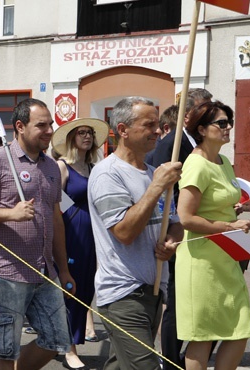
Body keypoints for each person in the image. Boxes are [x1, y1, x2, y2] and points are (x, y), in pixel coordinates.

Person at [0, 98, 75, 370]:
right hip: (6, 272)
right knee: (3, 349)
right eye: (42, 125)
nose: (49, 130)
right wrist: (9, 214)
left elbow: (56, 219)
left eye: (50, 124)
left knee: (57, 340)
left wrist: (63, 268)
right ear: (20, 126)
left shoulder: (51, 166)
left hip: (45, 271)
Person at [87, 96, 183, 370]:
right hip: (123, 294)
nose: (157, 130)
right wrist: (156, 187)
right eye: (149, 124)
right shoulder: (108, 174)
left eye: (159, 123)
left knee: (120, 365)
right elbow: (124, 232)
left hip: (153, 291)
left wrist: (173, 240)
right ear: (122, 130)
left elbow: (175, 222)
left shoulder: (154, 173)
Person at [176, 101, 250, 370]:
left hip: (228, 254)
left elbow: (217, 201)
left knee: (241, 327)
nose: (228, 127)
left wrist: (234, 211)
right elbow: (186, 217)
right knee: (204, 334)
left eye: (229, 122)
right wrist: (228, 226)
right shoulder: (197, 164)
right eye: (221, 123)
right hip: (202, 260)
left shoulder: (222, 161)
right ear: (201, 129)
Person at [151, 88, 213, 370]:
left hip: (195, 234)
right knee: (175, 302)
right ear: (189, 114)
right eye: (205, 109)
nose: (211, 115)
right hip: (177, 233)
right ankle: (170, 359)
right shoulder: (172, 145)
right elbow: (166, 192)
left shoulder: (199, 145)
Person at [50, 118, 108, 370]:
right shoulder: (62, 166)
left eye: (90, 133)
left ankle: (69, 340)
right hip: (70, 231)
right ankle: (69, 349)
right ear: (72, 137)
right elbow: (54, 206)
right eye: (81, 132)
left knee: (86, 290)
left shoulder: (95, 168)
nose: (87, 137)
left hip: (94, 233)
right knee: (70, 288)